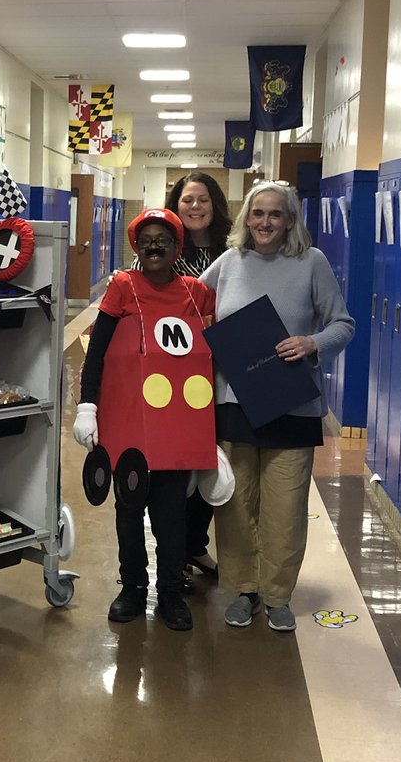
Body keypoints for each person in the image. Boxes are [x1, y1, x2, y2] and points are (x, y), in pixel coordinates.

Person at [199, 181, 355, 632]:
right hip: (234, 403)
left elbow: (343, 324)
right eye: (257, 214)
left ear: (290, 220)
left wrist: (312, 342)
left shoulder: (312, 263)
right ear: (246, 219)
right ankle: (244, 590)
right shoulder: (229, 263)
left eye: (275, 214)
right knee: (235, 504)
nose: (265, 222)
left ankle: (277, 594)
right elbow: (190, 304)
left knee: (285, 507)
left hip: (290, 405)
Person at [73, 208, 216, 631]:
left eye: (164, 240)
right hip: (129, 426)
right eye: (146, 240)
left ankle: (170, 591)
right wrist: (87, 405)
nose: (155, 247)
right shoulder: (123, 286)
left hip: (177, 429)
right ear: (136, 246)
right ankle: (132, 586)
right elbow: (96, 350)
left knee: (172, 514)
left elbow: (215, 349)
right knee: (129, 509)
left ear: (177, 247)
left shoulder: (194, 292)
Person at [166, 171, 233, 581]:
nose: (195, 207)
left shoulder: (235, 249)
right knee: (176, 464)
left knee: (210, 460)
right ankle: (174, 555)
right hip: (174, 372)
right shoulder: (162, 247)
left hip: (222, 368)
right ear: (176, 205)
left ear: (215, 205)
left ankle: (196, 546)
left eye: (202, 200)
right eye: (187, 200)